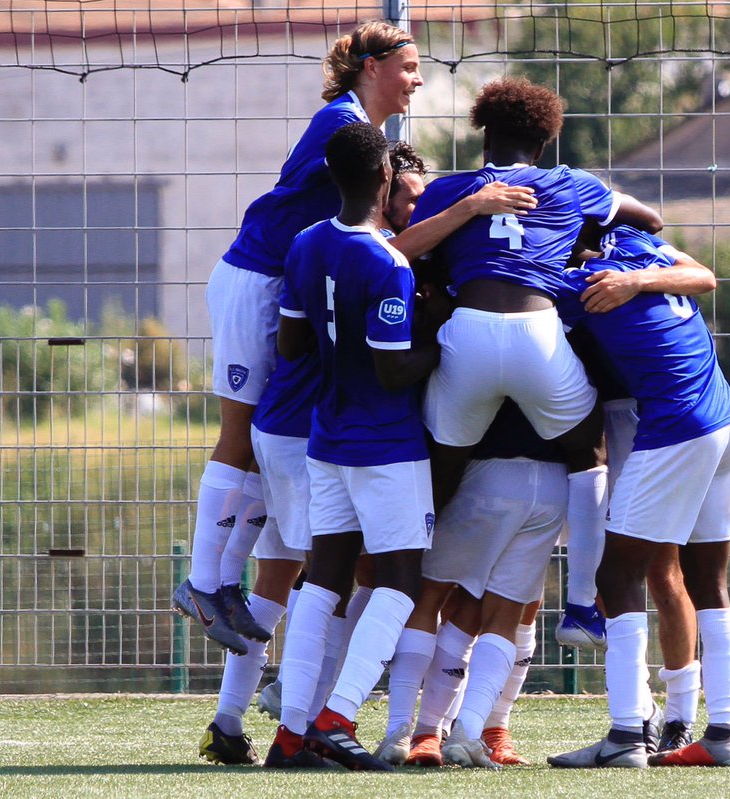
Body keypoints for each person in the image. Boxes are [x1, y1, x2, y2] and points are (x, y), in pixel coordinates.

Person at [174, 21, 535, 656]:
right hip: (256, 277)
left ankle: (230, 615)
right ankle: (205, 583)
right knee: (240, 433)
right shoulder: (343, 125)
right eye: (409, 65)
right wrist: (469, 208)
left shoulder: (363, 132)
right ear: (370, 67)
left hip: (280, 285)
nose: (418, 79)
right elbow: (373, 240)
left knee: (264, 447)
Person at [406, 76, 663, 655]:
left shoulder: (449, 190)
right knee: (587, 449)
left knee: (441, 470)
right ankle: (579, 608)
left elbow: (408, 248)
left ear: (483, 133)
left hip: (464, 334)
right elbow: (650, 220)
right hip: (537, 333)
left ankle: (394, 583)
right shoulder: (573, 185)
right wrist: (586, 239)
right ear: (546, 142)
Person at [266, 122, 441, 772]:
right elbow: (395, 367)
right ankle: (338, 716)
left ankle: (291, 734)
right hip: (386, 445)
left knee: (325, 582)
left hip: (327, 437)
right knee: (400, 579)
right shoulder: (388, 261)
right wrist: (442, 336)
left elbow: (289, 346)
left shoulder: (305, 245)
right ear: (384, 179)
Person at [546, 224, 730, 769]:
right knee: (707, 578)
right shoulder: (641, 246)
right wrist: (639, 280)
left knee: (616, 577)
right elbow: (703, 275)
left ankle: (626, 735)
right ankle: (721, 734)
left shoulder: (578, 282)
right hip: (726, 418)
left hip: (676, 427)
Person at [374, 400, 566, 768]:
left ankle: (422, 731)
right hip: (550, 476)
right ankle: (459, 732)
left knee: (435, 596)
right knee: (499, 610)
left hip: (483, 470)